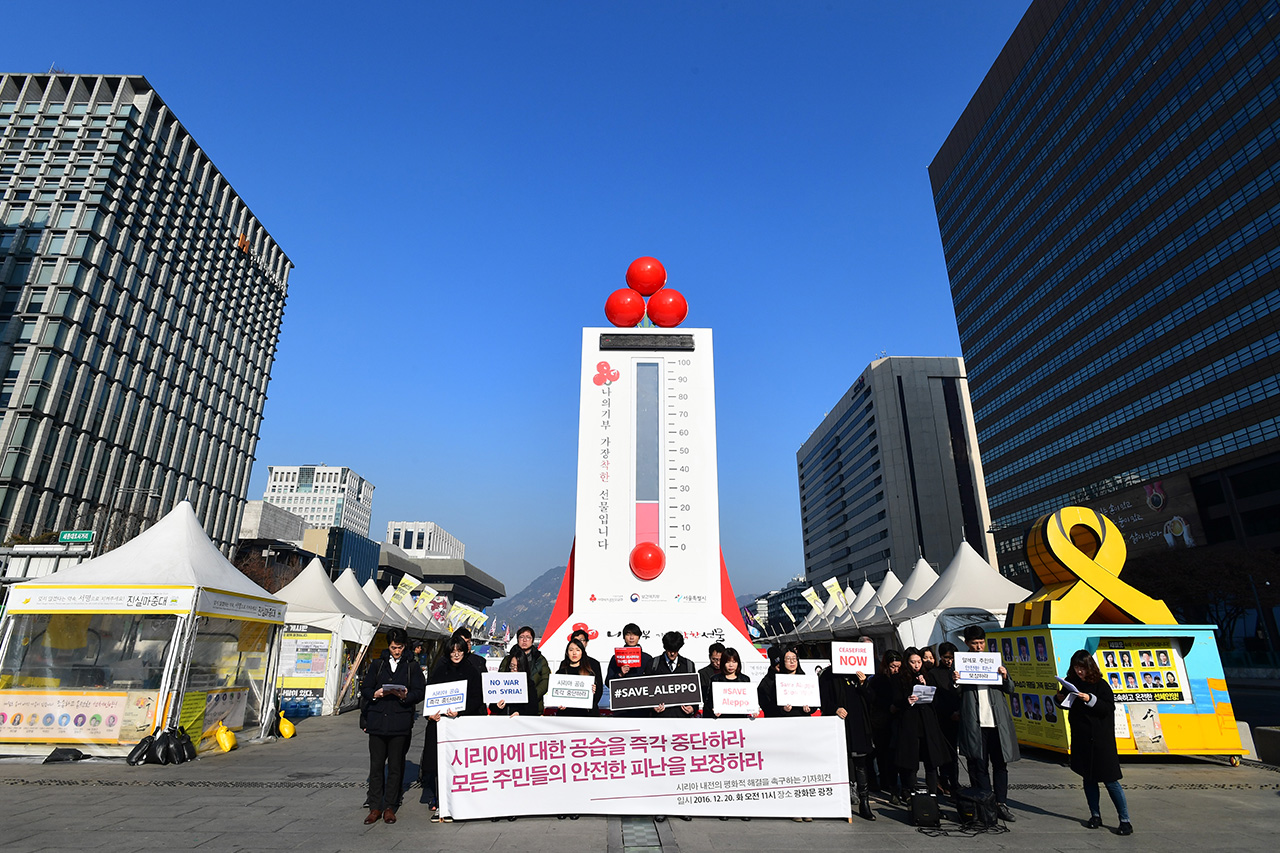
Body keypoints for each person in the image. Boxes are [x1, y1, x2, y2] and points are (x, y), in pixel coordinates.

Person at [1055, 649, 1133, 836]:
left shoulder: (1101, 685)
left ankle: (1125, 820)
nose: (1079, 671)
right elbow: (1063, 701)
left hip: (1101, 740)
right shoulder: (1071, 682)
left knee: (1110, 780)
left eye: (1082, 668)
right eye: (1076, 667)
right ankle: (1095, 815)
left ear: (1089, 667)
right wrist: (1058, 699)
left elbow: (1107, 708)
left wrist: (1090, 699)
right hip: (1082, 738)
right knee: (1088, 779)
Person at [359, 628, 426, 825]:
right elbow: (366, 688)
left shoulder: (411, 666)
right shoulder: (378, 665)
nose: (396, 651)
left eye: (399, 647)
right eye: (393, 647)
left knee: (396, 765)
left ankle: (390, 805)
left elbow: (419, 691)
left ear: (405, 647)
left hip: (400, 721)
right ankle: (374, 806)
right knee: (376, 766)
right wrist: (376, 694)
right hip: (378, 720)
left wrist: (407, 696)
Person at [956, 625, 1020, 823]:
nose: (978, 647)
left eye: (981, 643)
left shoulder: (994, 661)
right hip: (976, 724)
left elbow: (1010, 688)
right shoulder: (961, 663)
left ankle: (1001, 803)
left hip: (996, 723)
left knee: (1000, 765)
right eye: (974, 643)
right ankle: (986, 802)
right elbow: (953, 692)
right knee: (979, 765)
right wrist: (955, 681)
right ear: (966, 643)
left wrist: (1005, 676)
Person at [419, 636, 485, 821]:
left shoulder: (471, 671)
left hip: (461, 726)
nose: (456, 654)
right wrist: (429, 714)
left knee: (459, 766)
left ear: (465, 651)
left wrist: (460, 711)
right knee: (440, 766)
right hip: (440, 726)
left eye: (460, 650)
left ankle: (461, 803)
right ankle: (441, 804)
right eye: (453, 650)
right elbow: (430, 697)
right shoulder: (440, 670)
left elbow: (476, 698)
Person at [819, 651, 876, 820]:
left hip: (859, 723)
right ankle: (842, 798)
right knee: (841, 761)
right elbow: (822, 699)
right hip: (838, 724)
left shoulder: (859, 673)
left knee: (860, 762)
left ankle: (864, 800)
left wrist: (864, 682)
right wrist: (834, 708)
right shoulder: (828, 675)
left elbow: (872, 698)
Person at [892, 647, 951, 803]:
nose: (916, 665)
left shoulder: (927, 676)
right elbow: (895, 701)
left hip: (927, 723)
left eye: (919, 662)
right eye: (913, 662)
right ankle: (910, 792)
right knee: (911, 762)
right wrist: (907, 700)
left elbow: (936, 700)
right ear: (907, 662)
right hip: (910, 723)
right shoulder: (900, 679)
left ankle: (932, 793)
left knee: (931, 762)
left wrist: (925, 685)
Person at [867, 650, 902, 799]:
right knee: (883, 753)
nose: (896, 670)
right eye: (893, 666)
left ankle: (892, 783)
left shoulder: (901, 679)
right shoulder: (878, 680)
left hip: (897, 721)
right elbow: (874, 699)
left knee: (894, 754)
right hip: (881, 721)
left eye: (898, 666)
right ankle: (885, 781)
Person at [929, 642, 961, 799]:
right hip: (943, 718)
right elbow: (935, 698)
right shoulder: (934, 673)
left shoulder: (958, 671)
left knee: (954, 753)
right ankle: (945, 780)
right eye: (946, 657)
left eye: (951, 658)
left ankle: (954, 782)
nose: (949, 661)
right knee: (945, 752)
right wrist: (949, 713)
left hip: (959, 716)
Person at [606, 622, 654, 718]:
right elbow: (608, 682)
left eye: (634, 635)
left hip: (642, 706)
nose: (631, 638)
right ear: (624, 637)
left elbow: (653, 683)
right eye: (628, 634)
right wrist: (620, 674)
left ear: (639, 637)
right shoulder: (616, 658)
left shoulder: (647, 658)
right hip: (622, 707)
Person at [646, 631, 699, 717]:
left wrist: (693, 708)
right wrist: (652, 706)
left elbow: (694, 692)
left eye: (675, 650)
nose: (672, 653)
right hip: (659, 718)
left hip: (682, 717)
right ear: (665, 647)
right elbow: (645, 691)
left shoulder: (688, 665)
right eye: (670, 650)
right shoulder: (653, 664)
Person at [501, 626, 551, 713]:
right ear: (517, 639)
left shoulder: (540, 660)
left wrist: (532, 696)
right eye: (521, 637)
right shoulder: (508, 659)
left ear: (532, 640)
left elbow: (545, 681)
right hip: (509, 706)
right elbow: (501, 677)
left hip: (534, 706)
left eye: (528, 637)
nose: (524, 640)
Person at [554, 638, 600, 716]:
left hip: (585, 715)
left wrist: (593, 691)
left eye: (578, 650)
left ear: (582, 652)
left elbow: (597, 695)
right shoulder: (561, 673)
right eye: (571, 650)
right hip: (566, 714)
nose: (574, 653)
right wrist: (559, 703)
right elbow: (556, 694)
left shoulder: (589, 672)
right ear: (567, 652)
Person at [489, 647, 538, 717]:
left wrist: (520, 713)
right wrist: (497, 706)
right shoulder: (502, 682)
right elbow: (492, 707)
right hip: (503, 722)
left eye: (518, 666)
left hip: (520, 724)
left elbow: (533, 709)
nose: (514, 669)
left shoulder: (529, 684)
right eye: (512, 666)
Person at [708, 647, 753, 719]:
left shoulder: (744, 679)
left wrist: (753, 709)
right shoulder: (716, 679)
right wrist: (713, 710)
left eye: (734, 662)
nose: (731, 665)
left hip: (740, 720)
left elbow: (749, 700)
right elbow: (709, 702)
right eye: (728, 662)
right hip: (721, 720)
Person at [570, 628, 605, 710]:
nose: (578, 643)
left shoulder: (594, 664)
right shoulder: (564, 664)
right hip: (569, 710)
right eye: (575, 640)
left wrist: (590, 704)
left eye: (581, 640)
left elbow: (599, 689)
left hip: (588, 710)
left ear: (586, 643)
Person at [698, 642, 725, 710]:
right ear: (710, 657)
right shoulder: (702, 673)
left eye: (720, 659)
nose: (718, 663)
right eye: (715, 659)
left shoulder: (730, 672)